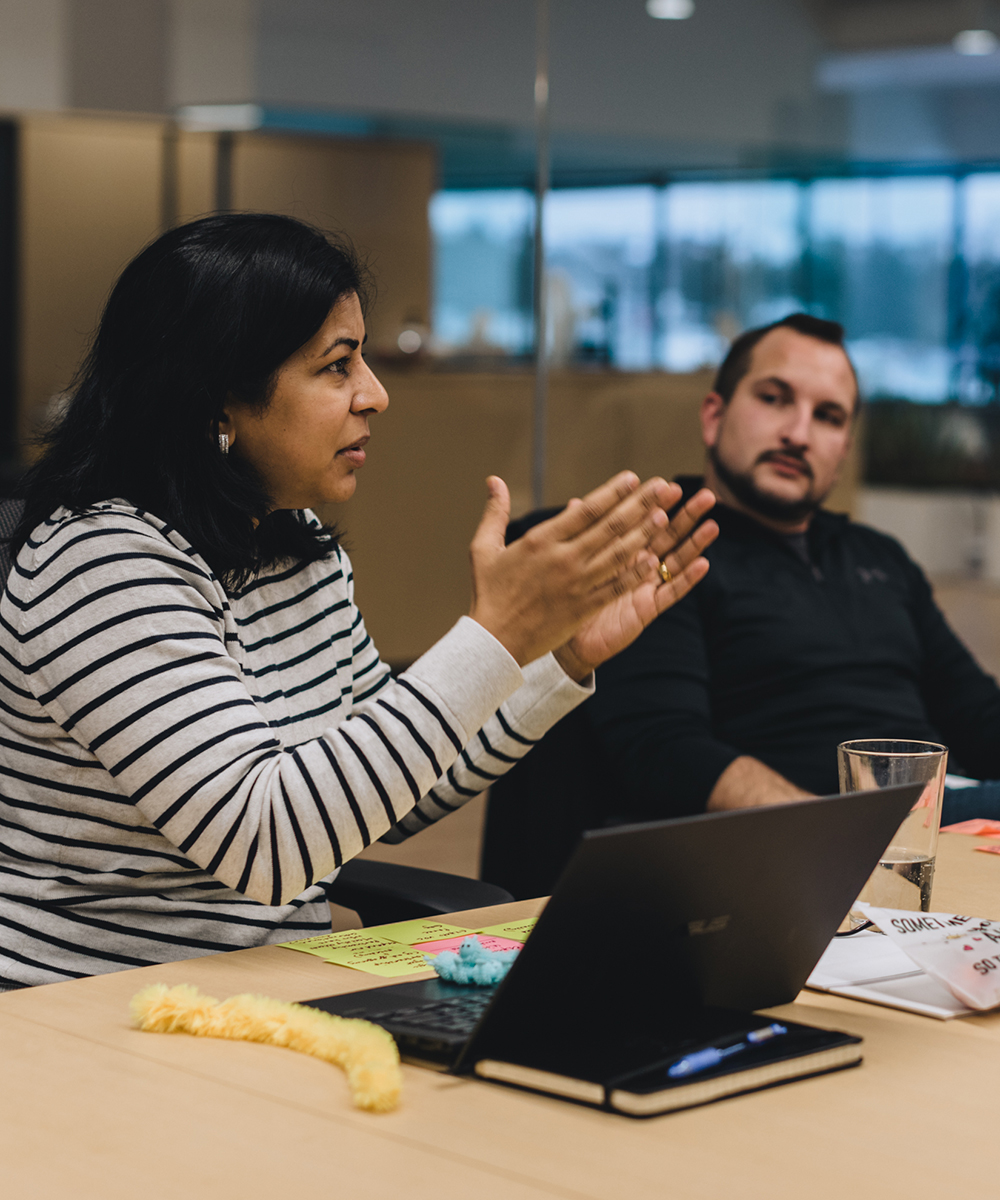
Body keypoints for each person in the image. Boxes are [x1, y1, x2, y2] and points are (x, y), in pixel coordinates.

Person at [0, 213, 717, 989]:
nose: (375, 394)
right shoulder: (102, 561)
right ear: (218, 401)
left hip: (260, 993)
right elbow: (265, 842)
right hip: (100, 1007)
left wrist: (560, 655)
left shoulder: (290, 544)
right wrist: (494, 636)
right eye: (337, 366)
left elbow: (397, 784)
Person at [482, 312, 1000, 898]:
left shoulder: (880, 556)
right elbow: (665, 750)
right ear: (714, 416)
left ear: (843, 451)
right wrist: (835, 833)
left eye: (828, 416)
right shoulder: (665, 546)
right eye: (774, 399)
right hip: (790, 849)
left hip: (932, 834)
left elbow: (979, 716)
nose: (798, 433)